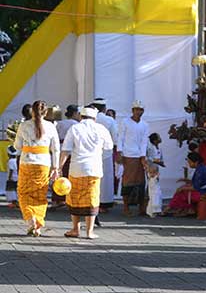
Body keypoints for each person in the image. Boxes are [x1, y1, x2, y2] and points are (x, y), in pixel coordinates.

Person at [60, 106, 114, 239]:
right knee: (92, 198)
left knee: (75, 198)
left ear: (81, 116)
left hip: (76, 168)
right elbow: (109, 146)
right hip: (94, 168)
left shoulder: (75, 128)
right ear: (95, 117)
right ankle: (89, 232)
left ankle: (75, 229)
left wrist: (59, 167)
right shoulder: (101, 129)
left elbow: (65, 150)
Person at [13, 101, 60, 236]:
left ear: (32, 112)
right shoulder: (51, 126)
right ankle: (38, 224)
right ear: (46, 113)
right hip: (43, 163)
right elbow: (56, 149)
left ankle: (30, 219)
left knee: (24, 192)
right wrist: (55, 168)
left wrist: (29, 147)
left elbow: (17, 146)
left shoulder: (24, 125)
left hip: (26, 162)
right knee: (40, 194)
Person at [116, 100, 150, 216]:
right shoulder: (125, 122)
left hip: (139, 156)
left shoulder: (145, 125)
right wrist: (119, 152)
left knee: (141, 181)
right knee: (127, 181)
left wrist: (143, 156)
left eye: (141, 110)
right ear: (132, 110)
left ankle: (142, 208)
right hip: (127, 155)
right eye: (136, 110)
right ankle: (126, 207)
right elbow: (120, 138)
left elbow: (144, 141)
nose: (138, 112)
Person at [166, 152, 206, 216]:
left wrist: (182, 188)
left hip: (204, 193)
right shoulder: (200, 168)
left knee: (182, 192)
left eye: (189, 162)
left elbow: (196, 187)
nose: (188, 164)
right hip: (203, 190)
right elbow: (197, 183)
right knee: (183, 188)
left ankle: (171, 208)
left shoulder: (201, 170)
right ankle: (182, 209)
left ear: (196, 162)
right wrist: (186, 180)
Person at [91, 98, 118, 208]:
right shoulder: (109, 120)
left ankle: (92, 200)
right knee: (106, 178)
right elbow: (115, 137)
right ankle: (104, 202)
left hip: (92, 152)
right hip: (106, 152)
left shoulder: (91, 119)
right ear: (104, 108)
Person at [145, 132, 165, 217]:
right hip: (151, 169)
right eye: (158, 138)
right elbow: (147, 158)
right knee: (154, 190)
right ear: (154, 140)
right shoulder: (149, 148)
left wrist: (160, 163)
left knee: (157, 190)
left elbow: (160, 159)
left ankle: (155, 208)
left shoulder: (159, 148)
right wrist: (153, 161)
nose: (160, 139)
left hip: (157, 169)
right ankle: (154, 209)